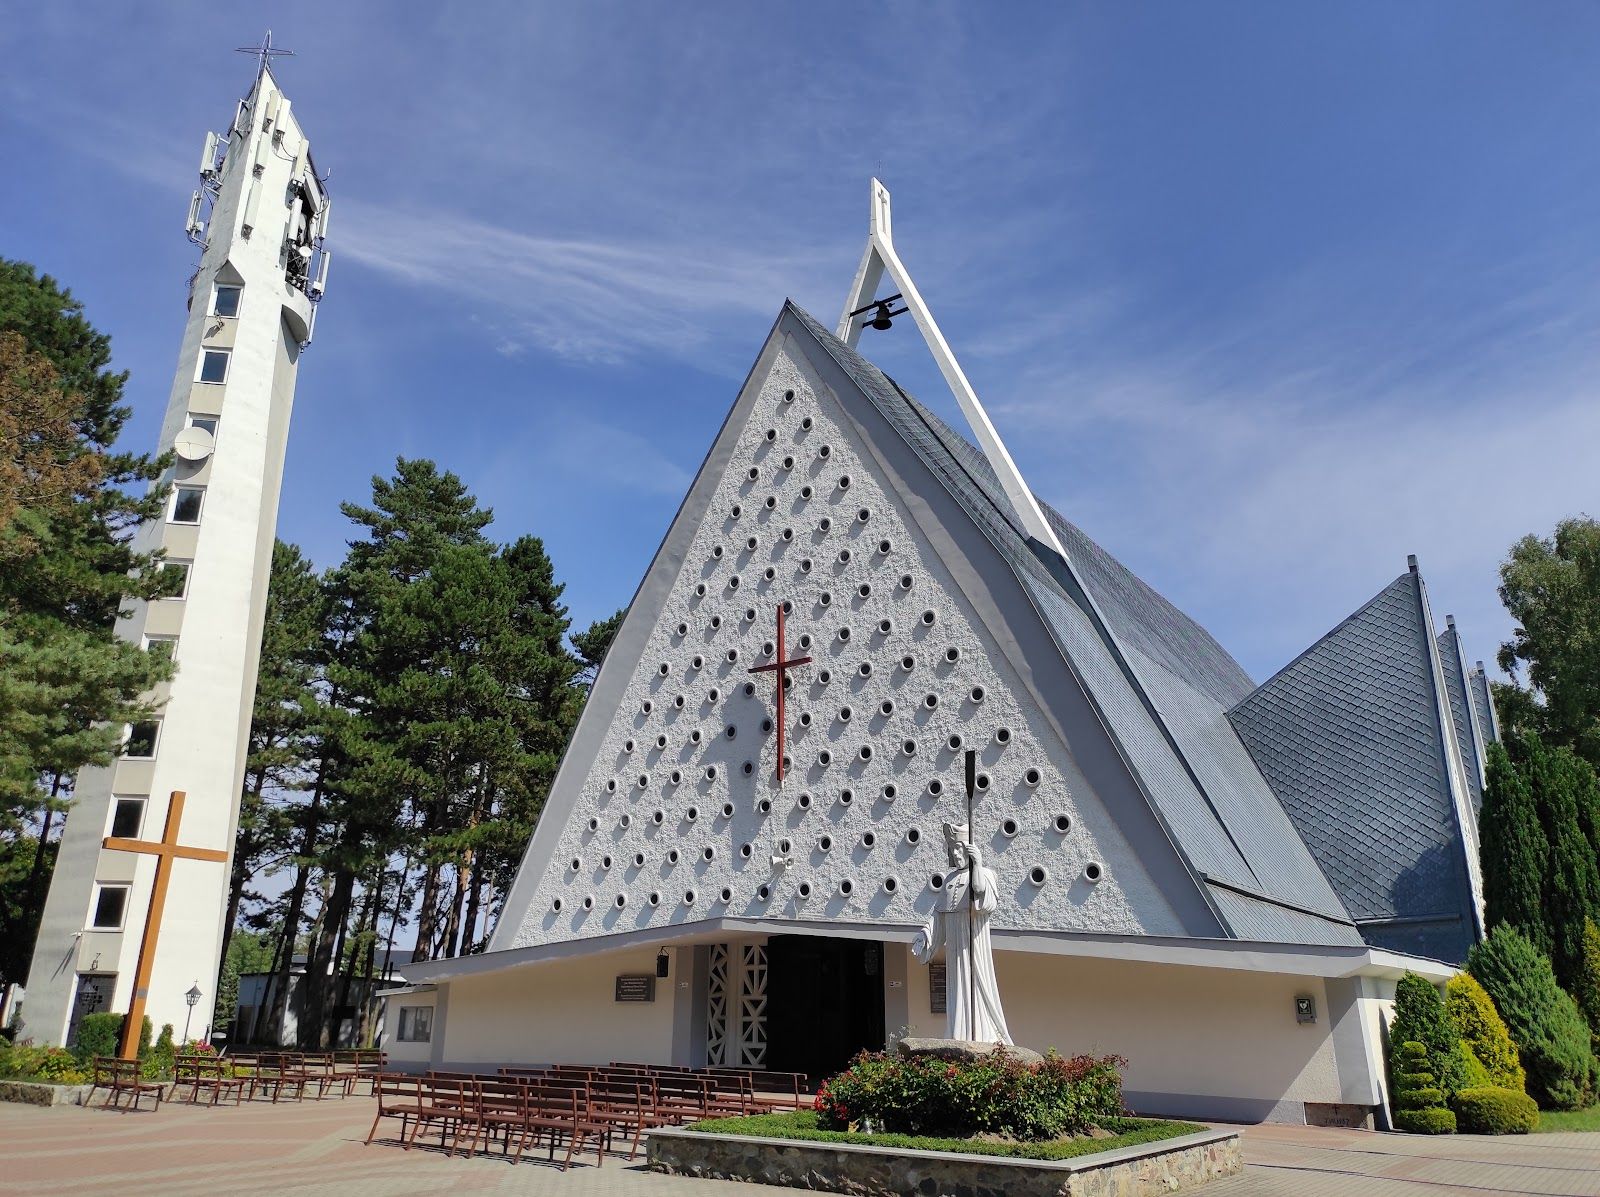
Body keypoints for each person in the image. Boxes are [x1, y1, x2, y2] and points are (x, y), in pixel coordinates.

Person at [912, 822, 1012, 1044]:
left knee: (975, 981)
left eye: (960, 848)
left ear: (970, 849)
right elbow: (939, 915)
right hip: (955, 944)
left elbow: (981, 897)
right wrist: (925, 935)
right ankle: (958, 1032)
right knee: (957, 985)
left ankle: (980, 1033)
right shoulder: (949, 880)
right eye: (952, 849)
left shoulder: (985, 874)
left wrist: (978, 863)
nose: (956, 854)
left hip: (972, 940)